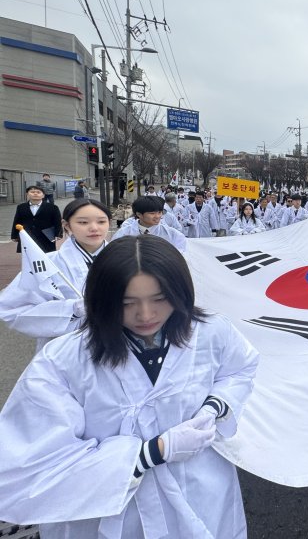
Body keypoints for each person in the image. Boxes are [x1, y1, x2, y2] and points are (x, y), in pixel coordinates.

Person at [0, 235, 259, 536]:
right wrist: (152, 452)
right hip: (111, 515)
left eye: (160, 299)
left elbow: (239, 369)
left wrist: (214, 407)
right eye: (127, 303)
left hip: (201, 489)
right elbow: (31, 462)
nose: (146, 315)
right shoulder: (64, 360)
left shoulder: (211, 331)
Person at [0, 198, 110, 353]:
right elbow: (11, 310)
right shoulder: (46, 264)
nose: (94, 228)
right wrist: (71, 310)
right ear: (66, 225)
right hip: (65, 351)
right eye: (83, 222)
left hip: (120, 347)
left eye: (101, 221)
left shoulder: (128, 258)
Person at [112, 196, 187, 252]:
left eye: (159, 212)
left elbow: (180, 257)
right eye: (152, 213)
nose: (157, 216)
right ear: (139, 214)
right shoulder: (123, 234)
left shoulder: (173, 235)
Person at [10, 185, 63, 253]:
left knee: (46, 255)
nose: (35, 193)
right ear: (27, 194)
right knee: (28, 254)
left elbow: (57, 222)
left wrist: (58, 234)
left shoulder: (52, 207)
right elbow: (17, 221)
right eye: (32, 192)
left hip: (46, 236)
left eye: (38, 192)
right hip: (27, 235)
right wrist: (14, 235)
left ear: (43, 195)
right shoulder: (21, 207)